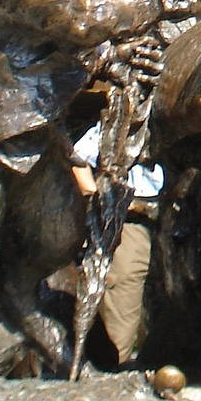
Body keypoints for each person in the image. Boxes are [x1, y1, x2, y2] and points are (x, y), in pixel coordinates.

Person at [70, 118, 166, 364]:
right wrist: (98, 199)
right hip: (126, 223)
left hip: (155, 224)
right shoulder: (117, 125)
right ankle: (112, 370)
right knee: (121, 299)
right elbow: (77, 159)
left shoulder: (167, 128)